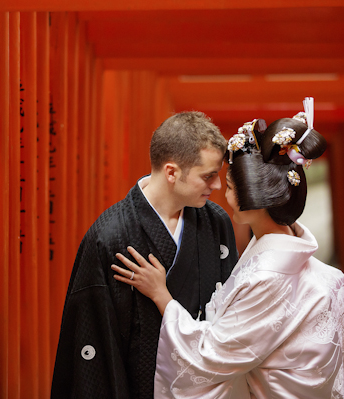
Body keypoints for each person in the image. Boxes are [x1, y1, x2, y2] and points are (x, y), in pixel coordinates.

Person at [112, 98, 344, 398]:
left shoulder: (267, 277)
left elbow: (210, 355)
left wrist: (161, 295)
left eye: (229, 186)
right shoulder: (330, 278)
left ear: (253, 199)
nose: (219, 190)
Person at [51, 111, 239, 398]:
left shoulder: (216, 222)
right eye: (208, 176)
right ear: (172, 172)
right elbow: (94, 345)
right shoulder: (110, 236)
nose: (216, 186)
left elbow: (233, 318)